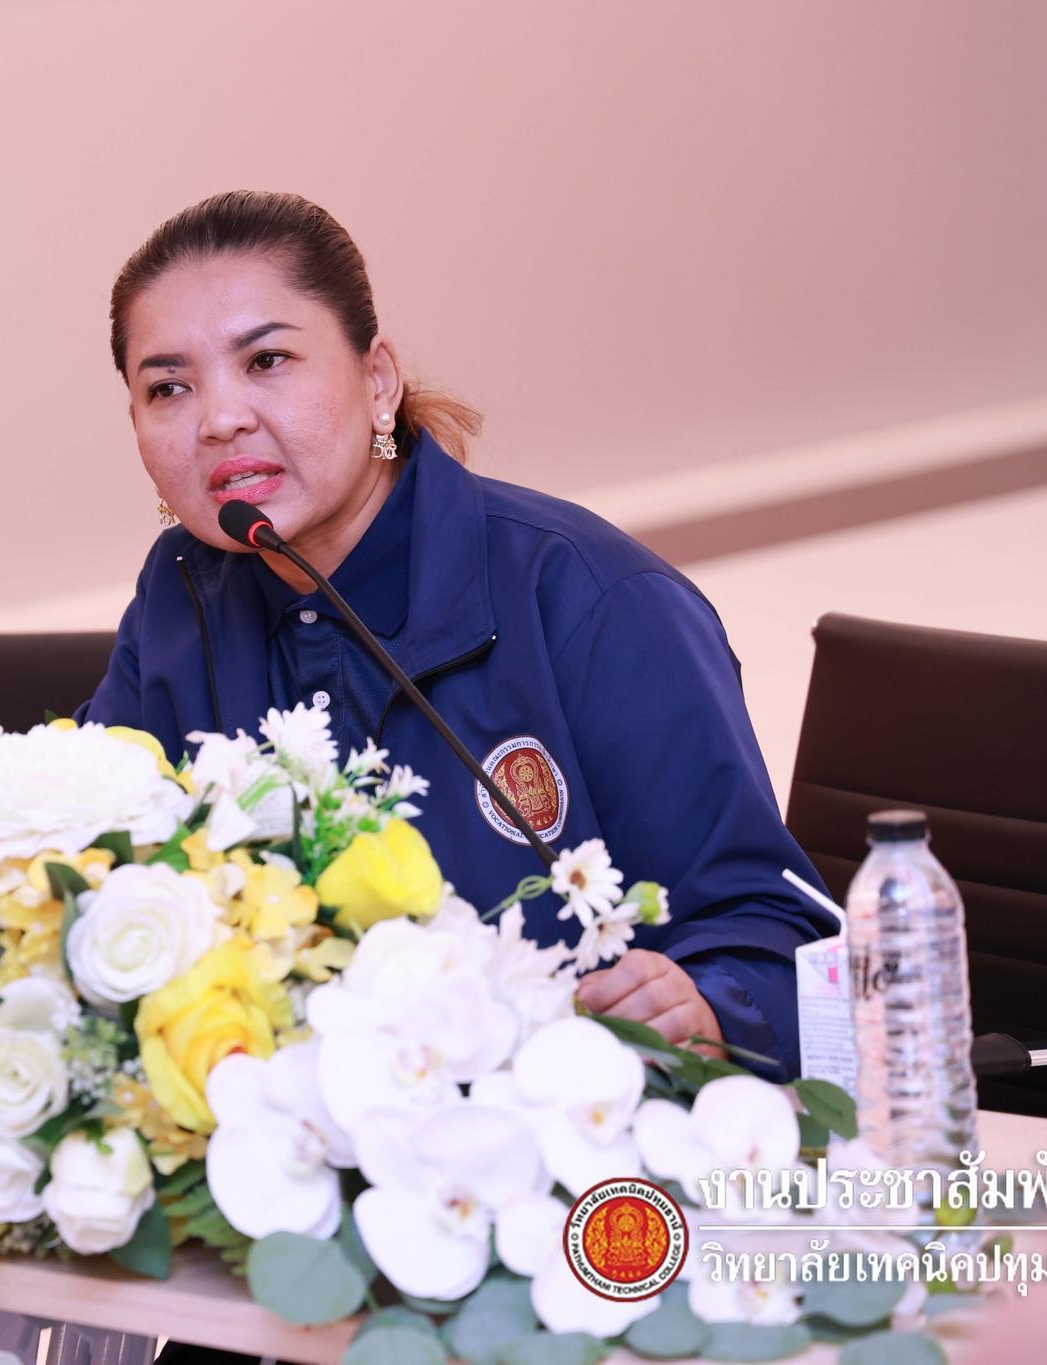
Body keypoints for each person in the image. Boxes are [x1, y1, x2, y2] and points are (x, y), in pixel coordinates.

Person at [80, 190, 836, 1078]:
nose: (219, 418)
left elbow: (779, 938)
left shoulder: (592, 598)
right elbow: (89, 871)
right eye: (168, 387)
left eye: (268, 360)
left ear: (378, 381)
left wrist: (705, 1004)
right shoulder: (180, 593)